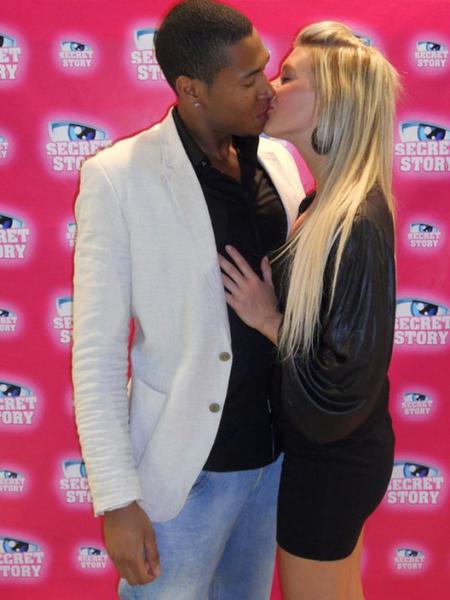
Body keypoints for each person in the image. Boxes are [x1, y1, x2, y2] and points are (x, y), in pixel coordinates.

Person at [72, 1, 303, 598]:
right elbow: (96, 354)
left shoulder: (279, 160)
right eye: (248, 80)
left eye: (266, 69)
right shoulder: (118, 178)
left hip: (273, 463)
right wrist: (117, 499)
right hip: (185, 474)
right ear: (192, 89)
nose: (268, 89)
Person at [218, 21, 400, 600]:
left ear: (332, 99)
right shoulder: (326, 205)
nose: (271, 86)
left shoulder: (354, 221)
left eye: (288, 76)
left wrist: (268, 318)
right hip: (336, 456)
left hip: (331, 463)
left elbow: (342, 385)